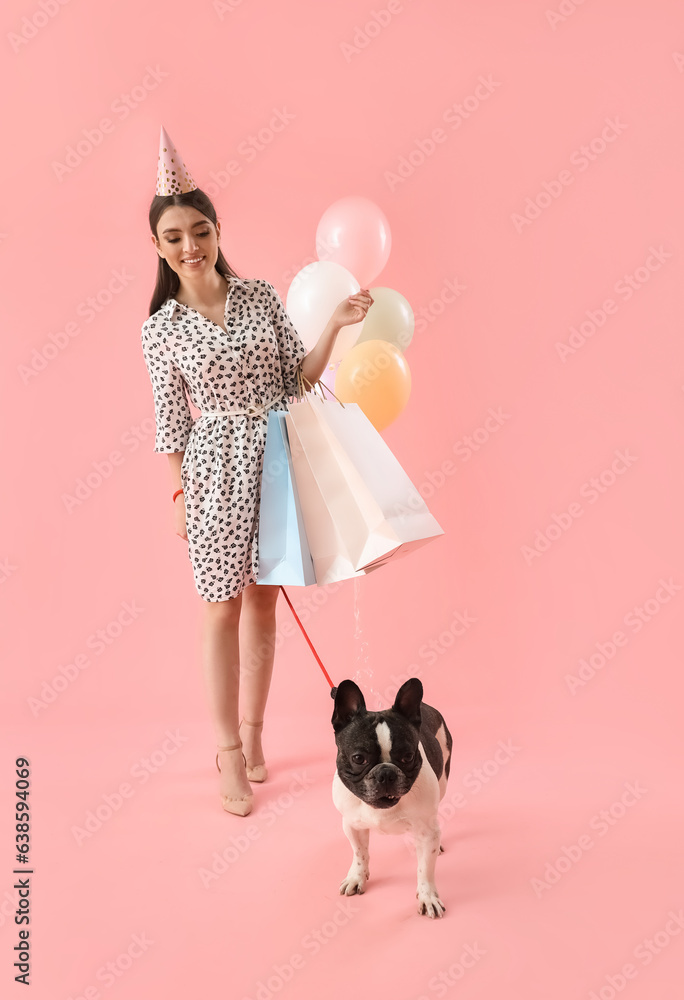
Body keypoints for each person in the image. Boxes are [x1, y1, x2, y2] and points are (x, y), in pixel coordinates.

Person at [141, 128, 373, 817]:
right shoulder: (160, 327)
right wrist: (179, 491)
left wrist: (333, 324)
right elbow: (169, 422)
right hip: (213, 473)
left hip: (276, 463)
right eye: (175, 236)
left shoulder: (260, 296)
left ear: (217, 231)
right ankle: (227, 754)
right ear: (158, 246)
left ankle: (254, 731)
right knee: (221, 610)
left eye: (201, 230)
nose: (191, 245)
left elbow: (295, 380)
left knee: (266, 604)